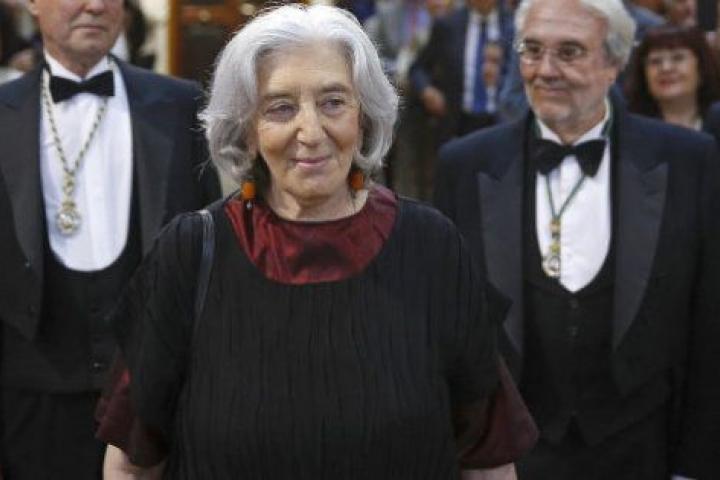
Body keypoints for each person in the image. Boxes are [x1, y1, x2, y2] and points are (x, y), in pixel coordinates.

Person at [100, 4, 537, 478]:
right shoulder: (189, 254)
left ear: (363, 117)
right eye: (281, 107)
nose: (311, 132)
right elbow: (131, 467)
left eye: (333, 102)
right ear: (247, 131)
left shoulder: (432, 248)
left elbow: (488, 461)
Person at [434, 0, 720, 478]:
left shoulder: (689, 161)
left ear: (614, 63)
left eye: (569, 52)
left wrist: (695, 468)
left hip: (645, 452)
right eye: (532, 50)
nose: (546, 70)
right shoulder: (464, 165)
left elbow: (710, 325)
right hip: (512, 461)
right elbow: (448, 331)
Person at [0, 0, 221, 477]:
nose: (95, 5)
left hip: (156, 395)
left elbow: (211, 251)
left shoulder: (180, 104)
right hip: (30, 399)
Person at [409, 0, 514, 143]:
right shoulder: (447, 25)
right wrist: (427, 90)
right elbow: (417, 69)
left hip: (501, 123)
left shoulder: (515, 25)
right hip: (458, 125)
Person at [625, 25, 720, 133]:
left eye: (678, 58)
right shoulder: (628, 129)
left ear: (702, 67)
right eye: (655, 61)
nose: (666, 68)